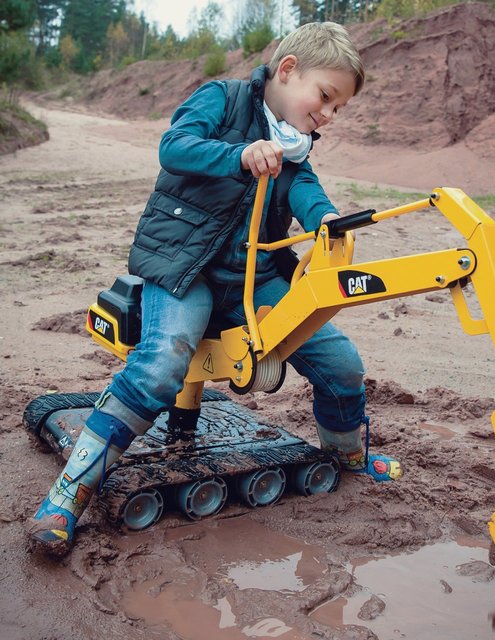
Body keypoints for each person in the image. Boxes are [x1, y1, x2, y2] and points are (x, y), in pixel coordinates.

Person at [27, 21, 403, 557]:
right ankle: (68, 494)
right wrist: (240, 155)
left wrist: (328, 222)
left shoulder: (296, 149)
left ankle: (347, 457)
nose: (329, 114)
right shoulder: (221, 100)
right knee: (160, 364)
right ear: (289, 70)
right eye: (326, 97)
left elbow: (306, 189)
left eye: (339, 108)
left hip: (254, 281)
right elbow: (175, 147)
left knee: (340, 362)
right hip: (184, 269)